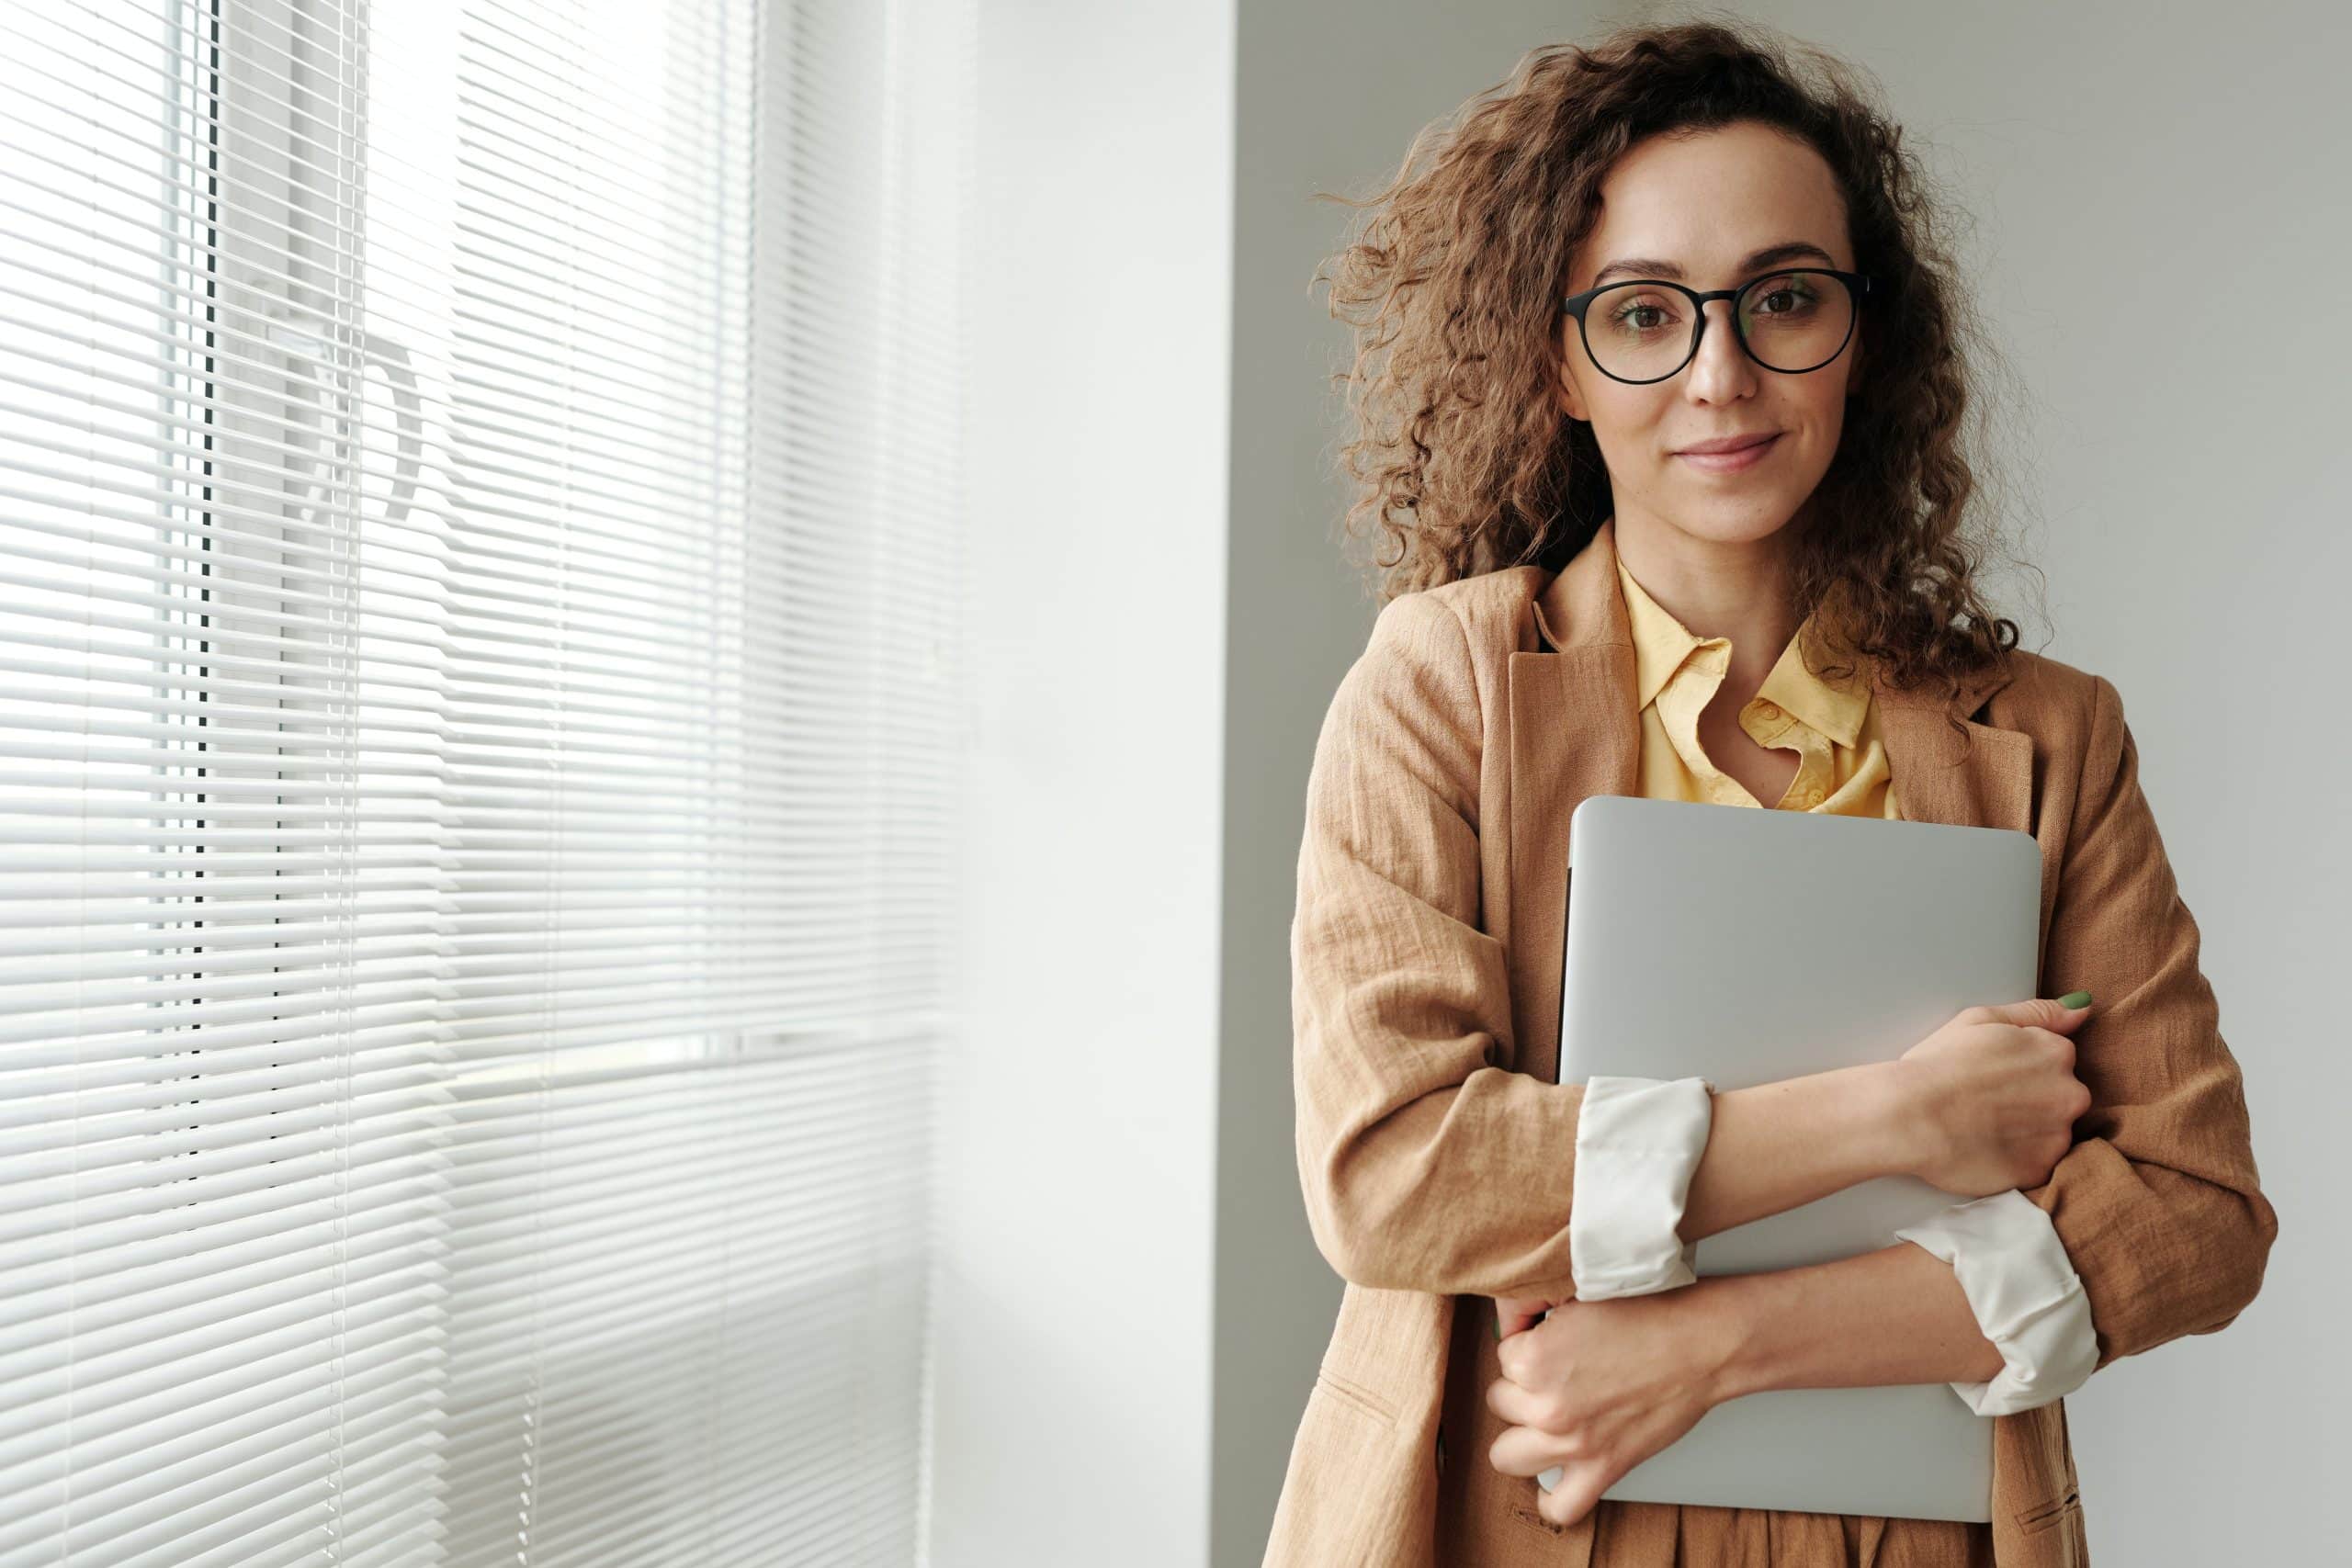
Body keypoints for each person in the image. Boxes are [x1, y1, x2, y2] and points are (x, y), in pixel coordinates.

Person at [1267, 18, 2277, 1568]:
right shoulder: (1443, 686)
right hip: (1499, 1515)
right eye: (1646, 314)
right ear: (1556, 358)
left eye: (1784, 299)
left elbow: (2197, 1217)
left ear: (1864, 337)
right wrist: (1896, 1114)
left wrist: (1710, 1343)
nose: (1721, 375)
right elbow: (1396, 1172)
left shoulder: (2053, 741)